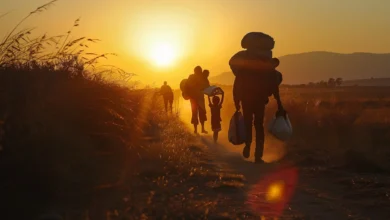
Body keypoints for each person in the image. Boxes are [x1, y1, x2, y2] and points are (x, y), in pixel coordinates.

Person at [230, 52, 284, 164]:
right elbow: (275, 89)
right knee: (259, 126)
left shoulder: (244, 71)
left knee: (248, 123)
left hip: (246, 101)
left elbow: (237, 86)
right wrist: (279, 105)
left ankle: (248, 145)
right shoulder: (268, 72)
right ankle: (258, 156)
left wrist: (236, 102)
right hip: (260, 102)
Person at [186, 66, 210, 134]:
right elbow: (207, 86)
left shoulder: (193, 77)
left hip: (194, 99)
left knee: (195, 113)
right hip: (198, 98)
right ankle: (200, 129)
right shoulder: (202, 77)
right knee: (199, 113)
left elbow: (207, 86)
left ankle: (197, 130)